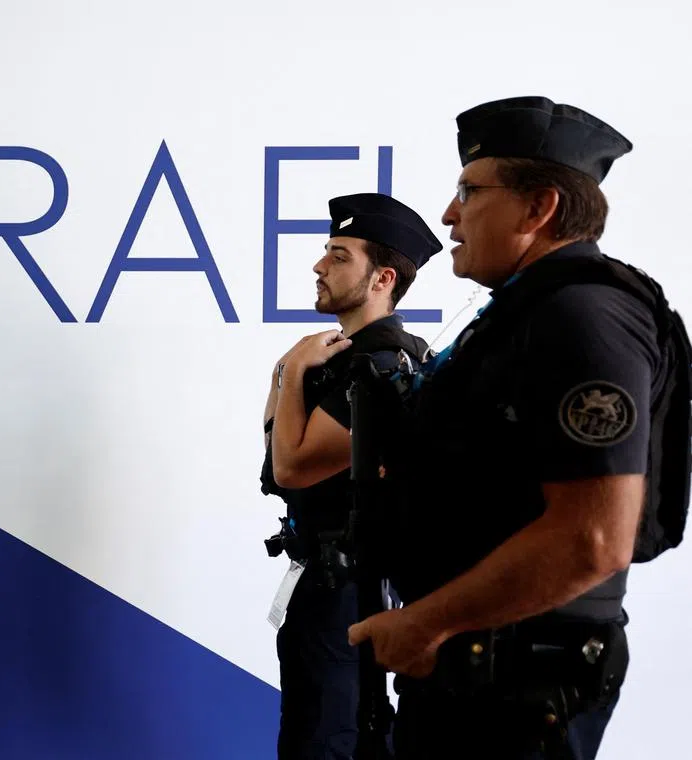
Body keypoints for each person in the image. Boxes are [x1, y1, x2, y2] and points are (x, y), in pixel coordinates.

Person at [347, 96, 692, 759]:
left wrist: (422, 624)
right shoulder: (519, 315)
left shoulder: (585, 316)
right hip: (473, 676)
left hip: (516, 690)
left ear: (540, 209)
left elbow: (592, 538)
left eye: (470, 191)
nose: (449, 214)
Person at [260, 192, 442, 760]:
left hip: (349, 589)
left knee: (327, 741)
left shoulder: (381, 364)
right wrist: (289, 374)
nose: (319, 266)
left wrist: (290, 371)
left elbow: (289, 467)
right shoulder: (340, 357)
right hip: (327, 581)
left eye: (339, 256)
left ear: (382, 277)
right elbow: (275, 456)